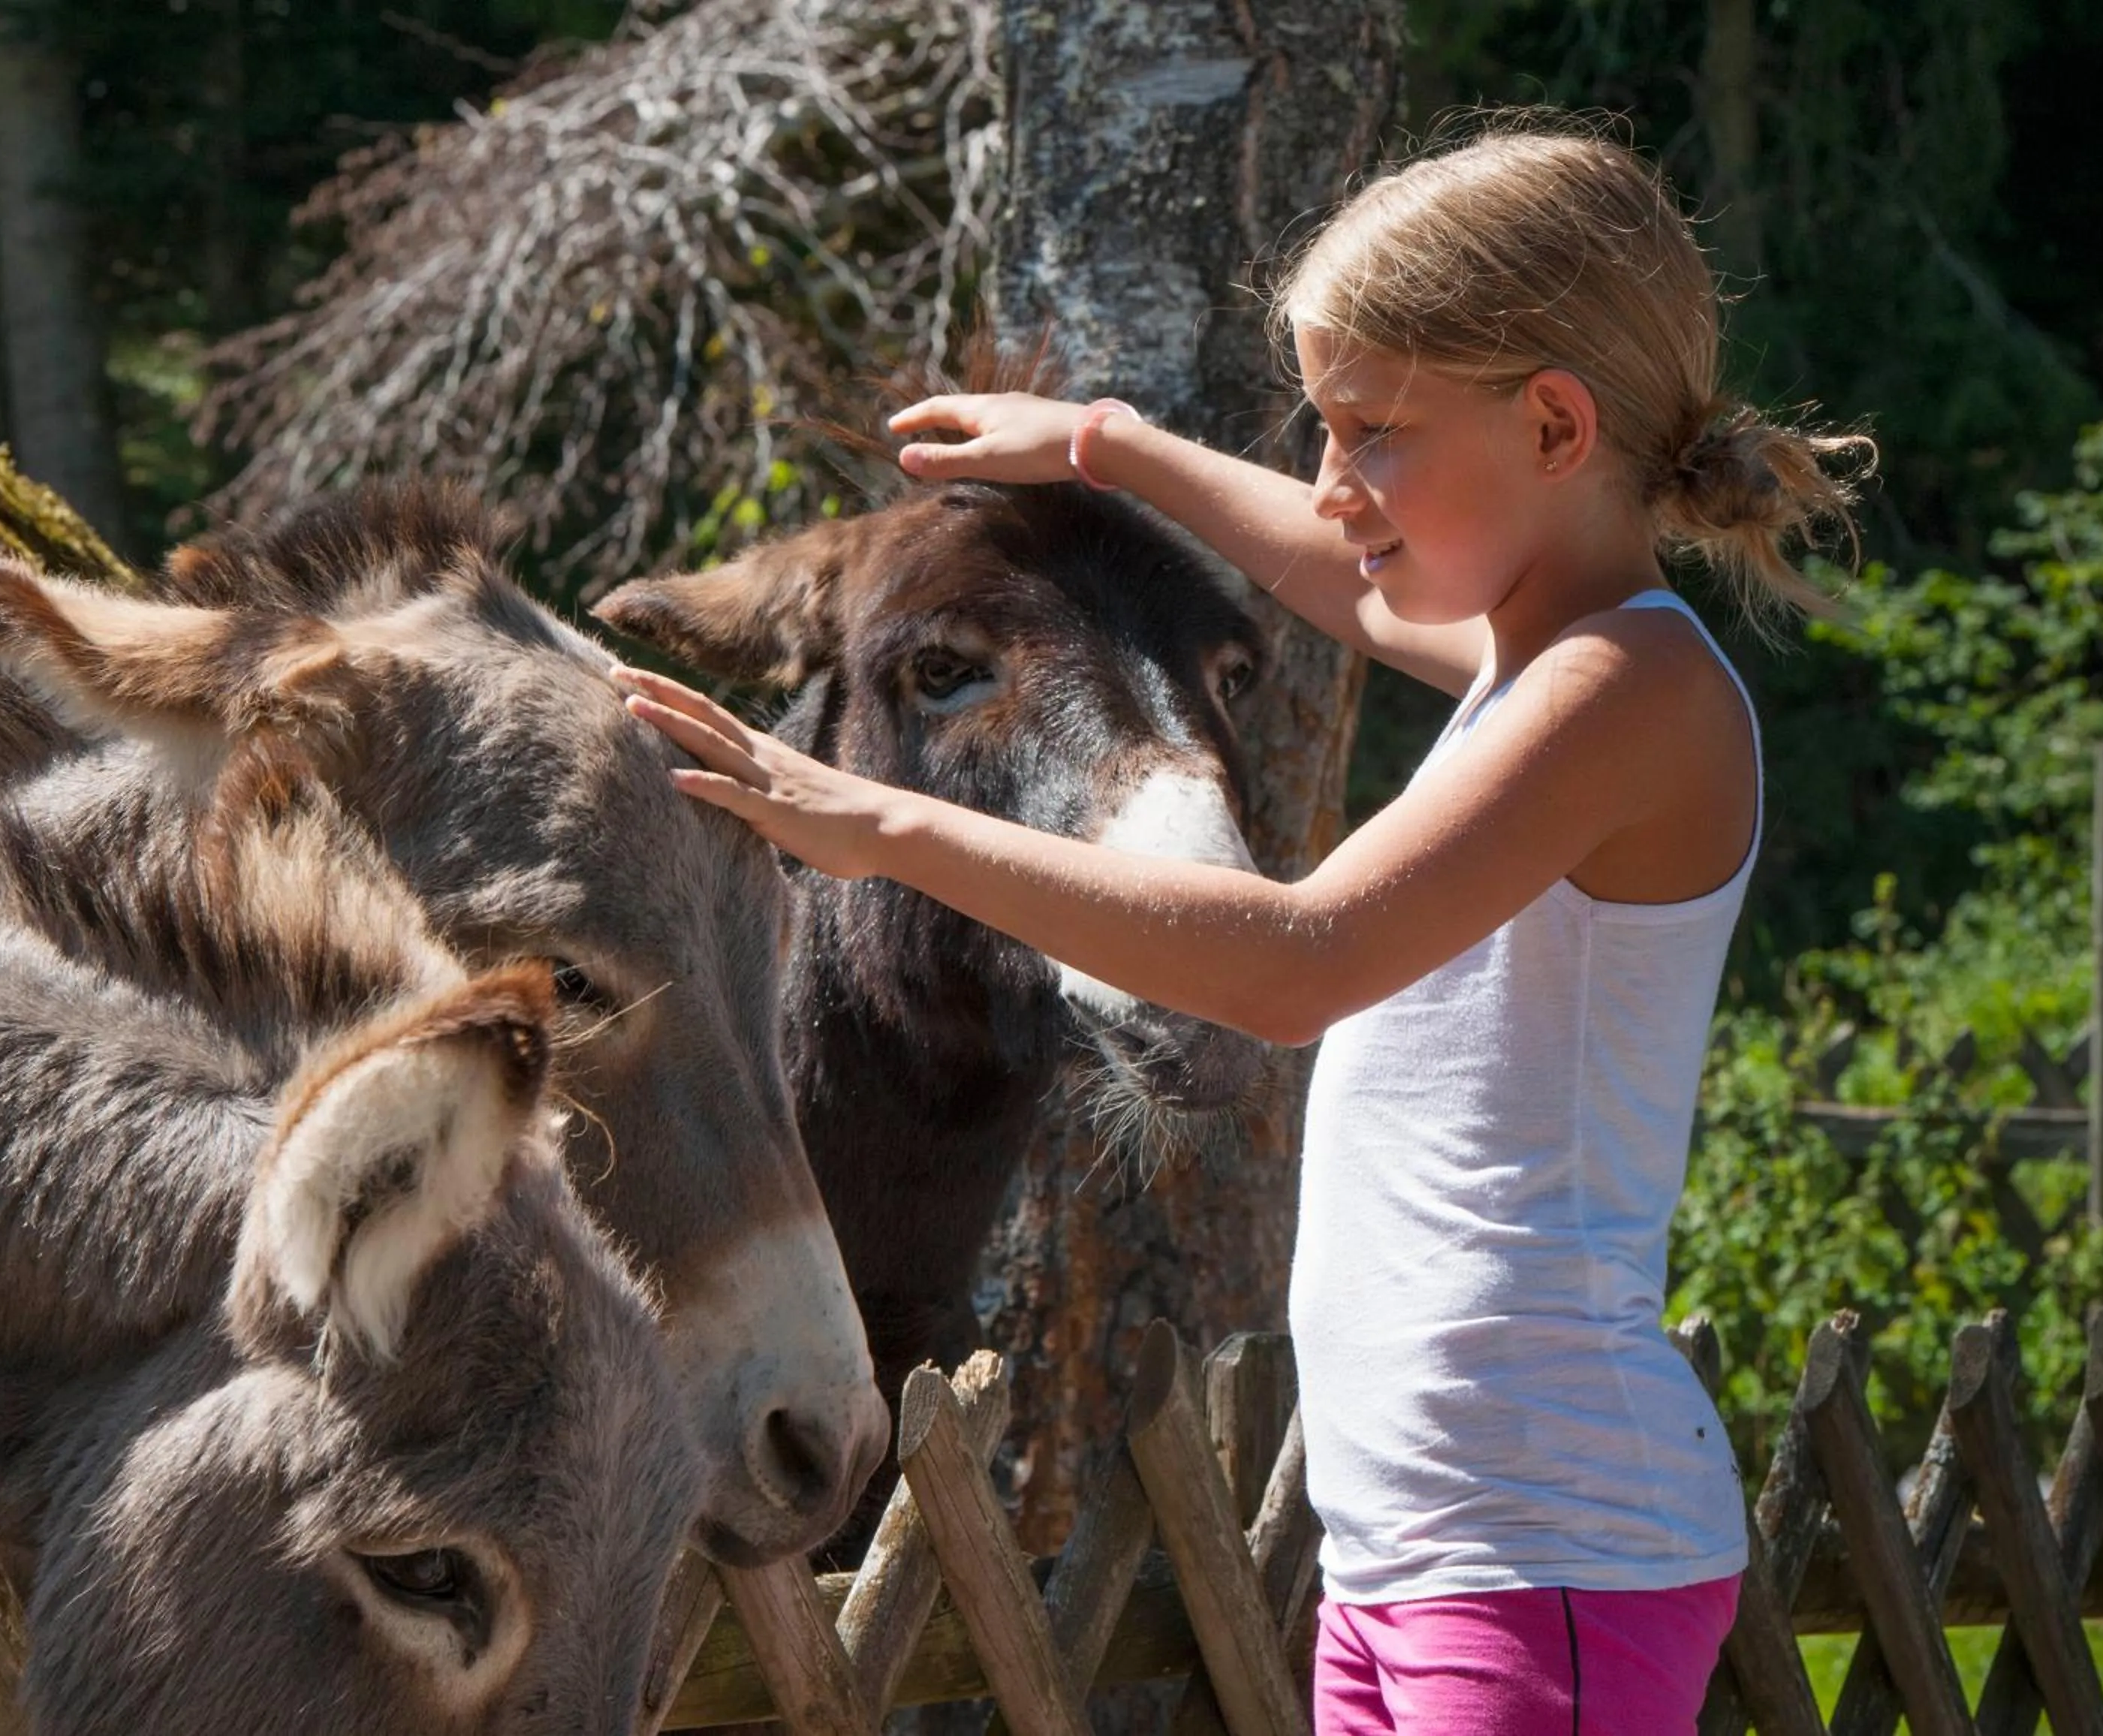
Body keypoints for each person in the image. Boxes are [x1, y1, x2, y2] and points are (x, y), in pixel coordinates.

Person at [612, 113, 1872, 1735]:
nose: (1331, 488)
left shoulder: (1624, 692)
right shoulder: (1541, 659)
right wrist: (1105, 446)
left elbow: (1296, 967)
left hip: (1545, 1553)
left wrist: (888, 826)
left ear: (1555, 426)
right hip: (1424, 1548)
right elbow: (1342, 580)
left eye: (1367, 432)